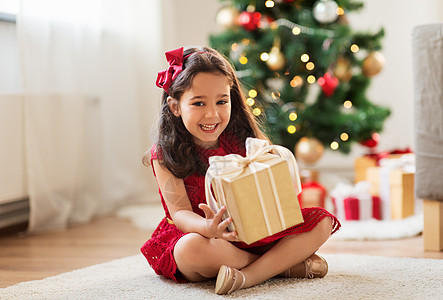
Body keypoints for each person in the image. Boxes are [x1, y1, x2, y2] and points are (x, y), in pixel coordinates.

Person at [140, 46, 341, 295]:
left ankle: (247, 276)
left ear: (231, 99)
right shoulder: (164, 153)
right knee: (190, 249)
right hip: (204, 236)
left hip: (253, 232)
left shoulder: (241, 139)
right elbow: (180, 212)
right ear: (175, 107)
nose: (212, 113)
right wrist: (208, 229)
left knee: (321, 221)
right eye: (198, 103)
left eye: (221, 101)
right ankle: (281, 267)